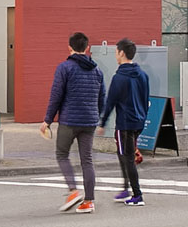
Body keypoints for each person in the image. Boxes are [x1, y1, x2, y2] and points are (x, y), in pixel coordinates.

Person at [40, 32, 105, 214]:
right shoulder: (97, 71)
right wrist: (97, 116)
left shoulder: (65, 68)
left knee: (62, 154)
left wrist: (47, 120)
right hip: (90, 122)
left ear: (69, 48)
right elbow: (102, 97)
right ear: (87, 48)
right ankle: (89, 201)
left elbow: (56, 96)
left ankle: (73, 190)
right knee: (87, 160)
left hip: (69, 120)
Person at [101, 38, 151, 207]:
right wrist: (142, 118)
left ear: (121, 53)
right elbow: (146, 100)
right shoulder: (143, 75)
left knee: (127, 157)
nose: (115, 55)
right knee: (123, 154)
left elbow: (110, 102)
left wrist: (102, 122)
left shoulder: (119, 78)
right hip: (138, 122)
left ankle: (137, 194)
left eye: (116, 51)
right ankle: (126, 187)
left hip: (124, 124)